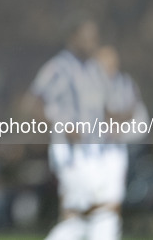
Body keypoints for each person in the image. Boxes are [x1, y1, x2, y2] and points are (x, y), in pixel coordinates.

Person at [23, 19, 146, 240]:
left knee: (95, 211)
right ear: (73, 39)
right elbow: (33, 104)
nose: (92, 42)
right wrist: (60, 126)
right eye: (87, 37)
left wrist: (125, 114)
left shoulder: (94, 70)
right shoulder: (58, 68)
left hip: (96, 150)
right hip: (71, 150)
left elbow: (106, 109)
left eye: (94, 37)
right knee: (90, 209)